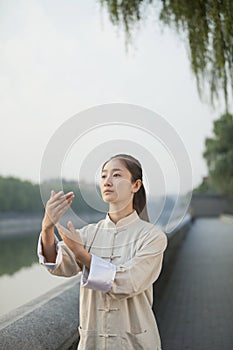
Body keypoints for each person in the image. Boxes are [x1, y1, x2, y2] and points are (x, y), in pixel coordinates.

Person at [37, 153, 168, 350]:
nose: (107, 181)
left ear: (136, 185)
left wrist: (83, 256)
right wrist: (47, 228)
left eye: (116, 175)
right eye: (104, 176)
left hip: (134, 344)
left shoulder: (152, 237)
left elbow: (128, 282)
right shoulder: (89, 234)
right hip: (93, 343)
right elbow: (58, 264)